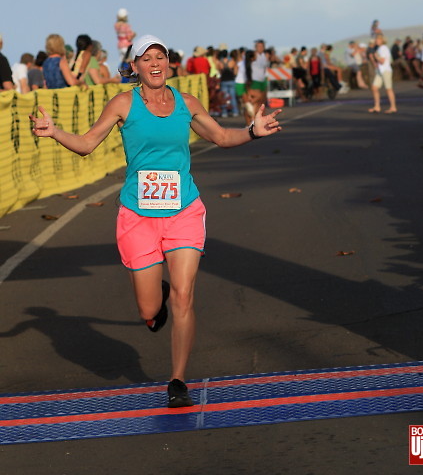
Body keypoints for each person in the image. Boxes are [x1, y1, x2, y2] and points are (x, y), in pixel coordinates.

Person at [30, 35, 282, 409]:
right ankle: (156, 300)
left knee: (185, 295)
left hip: (183, 211)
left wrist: (250, 132)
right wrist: (53, 133)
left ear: (168, 63)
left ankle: (178, 379)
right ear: (135, 66)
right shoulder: (123, 103)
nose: (154, 63)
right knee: (149, 311)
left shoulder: (186, 103)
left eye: (160, 56)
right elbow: (86, 144)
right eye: (146, 58)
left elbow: (221, 136)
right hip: (138, 216)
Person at [368, 33, 397, 114]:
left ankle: (393, 107)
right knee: (374, 87)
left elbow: (382, 61)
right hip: (380, 71)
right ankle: (377, 106)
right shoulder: (380, 48)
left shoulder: (383, 48)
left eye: (377, 39)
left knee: (388, 89)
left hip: (385, 70)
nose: (376, 41)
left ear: (382, 40)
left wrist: (375, 56)